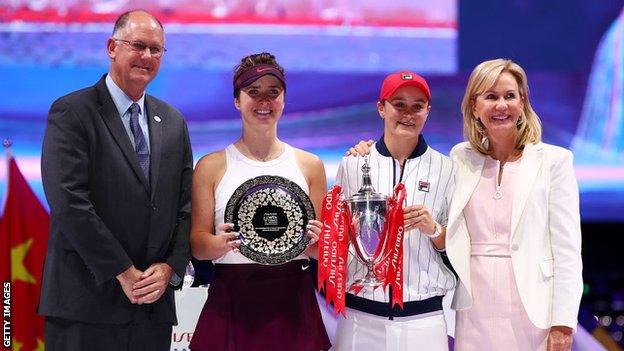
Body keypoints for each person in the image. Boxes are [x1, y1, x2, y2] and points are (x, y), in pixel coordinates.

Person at [38, 10, 193, 351]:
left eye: (156, 49)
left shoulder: (173, 121)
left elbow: (185, 207)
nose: (147, 56)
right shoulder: (72, 112)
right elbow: (69, 202)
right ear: (112, 47)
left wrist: (170, 267)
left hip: (152, 310)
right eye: (138, 45)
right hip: (85, 304)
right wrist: (123, 271)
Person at [188, 52, 331, 351]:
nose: (264, 101)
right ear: (237, 101)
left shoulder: (310, 165)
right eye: (253, 92)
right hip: (232, 299)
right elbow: (198, 246)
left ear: (284, 99)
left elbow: (321, 250)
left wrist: (316, 244)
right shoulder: (211, 166)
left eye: (273, 92)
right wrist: (220, 244)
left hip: (293, 299)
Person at [445, 58, 583, 351]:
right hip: (473, 311)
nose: (501, 105)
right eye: (491, 97)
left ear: (522, 103)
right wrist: (369, 150)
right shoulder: (460, 158)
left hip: (533, 311)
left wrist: (563, 323)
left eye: (510, 96)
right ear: (474, 106)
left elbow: (568, 251)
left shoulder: (554, 161)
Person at [334, 71, 456, 351]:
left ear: (428, 111)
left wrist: (434, 229)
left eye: (418, 106)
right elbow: (338, 237)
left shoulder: (447, 169)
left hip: (423, 320)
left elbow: (460, 244)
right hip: (360, 316)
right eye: (399, 104)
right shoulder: (354, 164)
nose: (408, 114)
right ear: (381, 108)